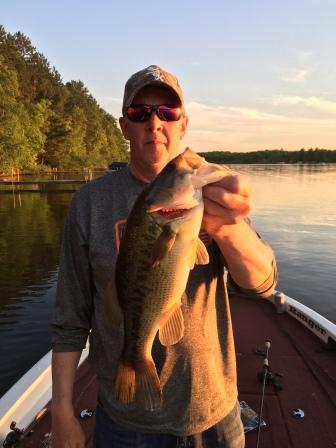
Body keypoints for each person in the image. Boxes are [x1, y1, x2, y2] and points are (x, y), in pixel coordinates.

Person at [51, 65, 277, 448]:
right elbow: (71, 317)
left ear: (183, 123)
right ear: (124, 125)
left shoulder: (210, 191)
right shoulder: (90, 203)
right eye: (140, 113)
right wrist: (61, 411)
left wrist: (229, 228)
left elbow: (262, 285)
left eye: (167, 112)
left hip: (215, 417)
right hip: (126, 420)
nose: (154, 123)